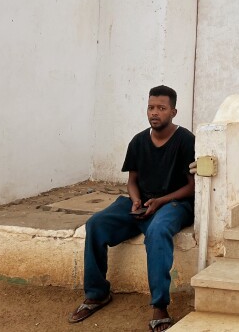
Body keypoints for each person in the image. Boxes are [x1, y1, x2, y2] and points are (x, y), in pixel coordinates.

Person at [69, 85, 195, 331]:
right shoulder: (138, 141)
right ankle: (96, 293)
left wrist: (160, 201)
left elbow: (192, 187)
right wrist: (136, 199)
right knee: (96, 224)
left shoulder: (185, 140)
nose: (154, 113)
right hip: (142, 201)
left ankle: (160, 306)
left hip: (174, 203)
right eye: (150, 107)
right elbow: (132, 181)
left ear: (173, 111)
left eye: (161, 108)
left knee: (158, 232)